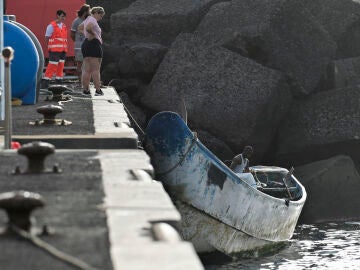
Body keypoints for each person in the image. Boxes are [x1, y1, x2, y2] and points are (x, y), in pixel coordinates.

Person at [79, 6, 105, 96]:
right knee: (95, 70)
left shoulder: (88, 19)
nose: (101, 18)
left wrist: (86, 35)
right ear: (96, 13)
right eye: (101, 16)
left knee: (87, 70)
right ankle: (98, 91)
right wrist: (95, 35)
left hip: (86, 44)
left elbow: (80, 28)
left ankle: (85, 90)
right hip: (94, 45)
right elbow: (88, 28)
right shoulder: (93, 20)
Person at [42, 10, 68, 87]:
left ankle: (59, 80)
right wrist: (50, 46)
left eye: (64, 16)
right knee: (52, 65)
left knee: (61, 65)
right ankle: (46, 81)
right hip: (54, 50)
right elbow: (47, 37)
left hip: (63, 50)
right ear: (57, 16)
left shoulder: (64, 26)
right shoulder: (51, 26)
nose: (63, 18)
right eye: (62, 16)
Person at [70, 4, 90, 83]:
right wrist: (77, 41)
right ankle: (80, 81)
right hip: (79, 47)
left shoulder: (88, 20)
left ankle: (85, 81)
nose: (90, 12)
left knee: (87, 63)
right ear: (85, 11)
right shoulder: (76, 21)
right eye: (89, 10)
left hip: (87, 46)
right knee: (79, 64)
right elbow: (72, 34)